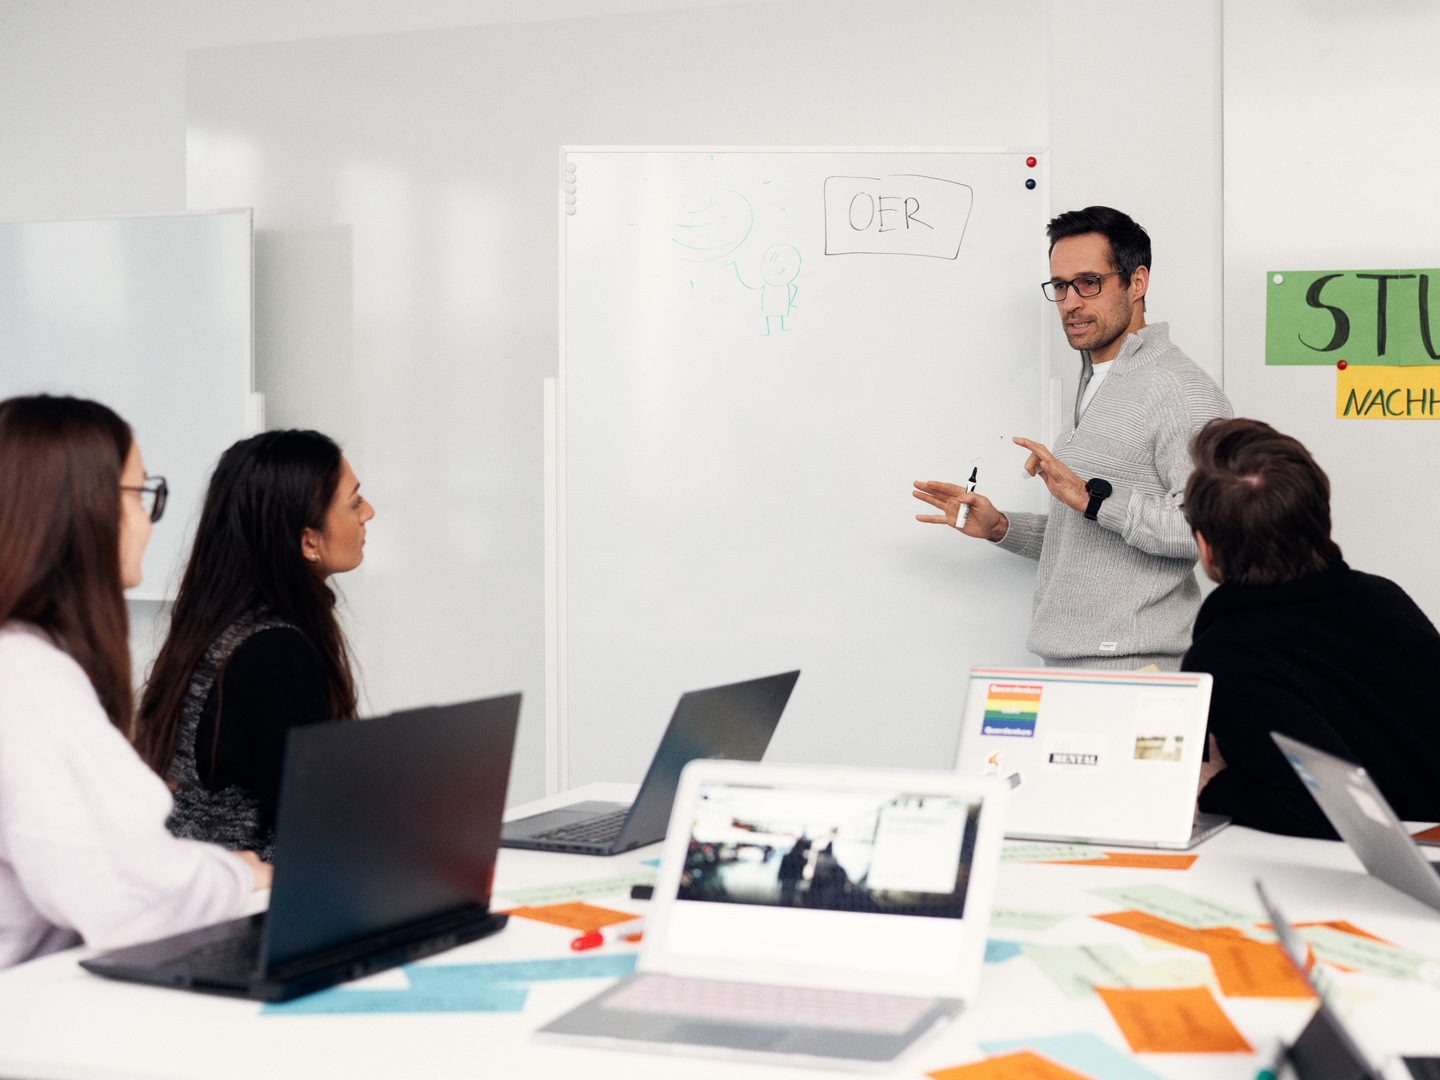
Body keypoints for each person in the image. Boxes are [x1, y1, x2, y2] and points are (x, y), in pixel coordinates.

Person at [0, 395, 267, 970]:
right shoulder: (24, 675)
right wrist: (235, 874)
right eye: (142, 494)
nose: (148, 522)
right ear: (82, 508)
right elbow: (130, 896)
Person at [914, 207, 1231, 669]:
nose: (1070, 302)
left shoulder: (1180, 390)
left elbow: (1211, 531)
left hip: (1136, 668)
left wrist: (1095, 499)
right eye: (1060, 286)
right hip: (1075, 668)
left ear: (1136, 282)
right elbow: (1094, 543)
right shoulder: (1097, 382)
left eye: (1089, 282)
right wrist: (1002, 528)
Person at [1182, 417, 1440, 838]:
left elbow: (1324, 811)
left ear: (1206, 548)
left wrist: (1216, 788)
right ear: (1321, 518)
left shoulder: (1228, 655)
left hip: (1390, 882)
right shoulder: (1383, 598)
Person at [133, 430, 372, 860]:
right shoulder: (275, 655)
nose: (368, 512)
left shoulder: (224, 627)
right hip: (247, 908)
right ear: (308, 542)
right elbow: (321, 828)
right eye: (354, 502)